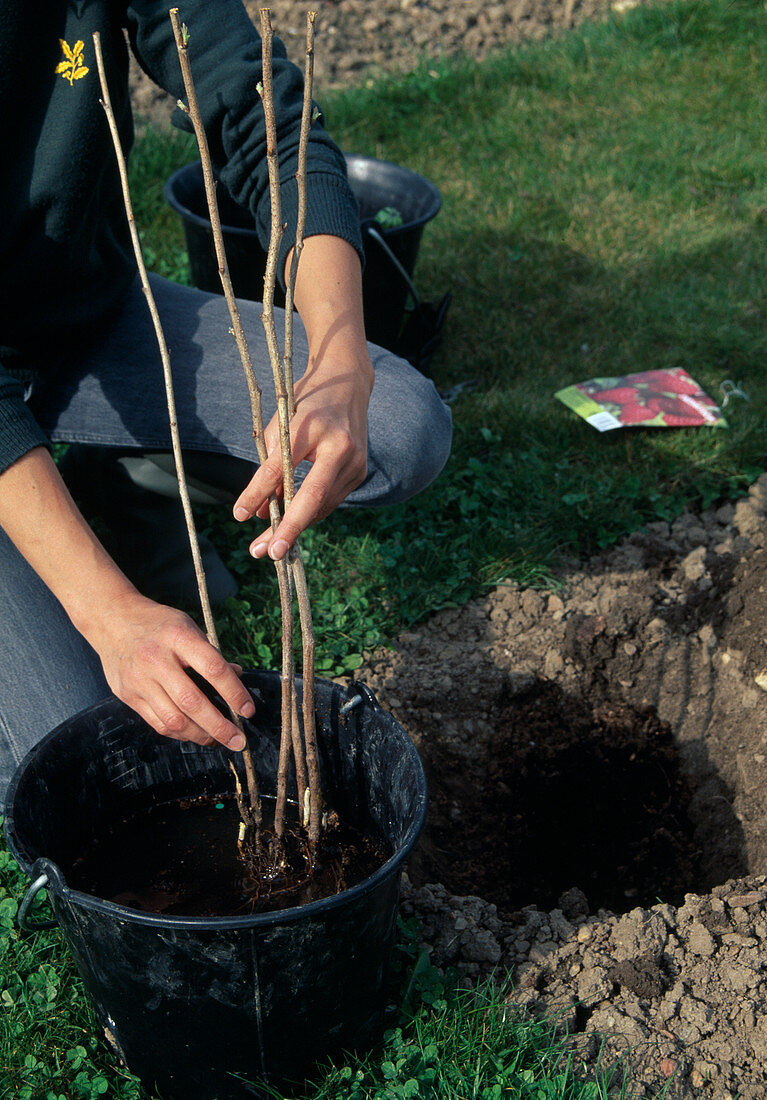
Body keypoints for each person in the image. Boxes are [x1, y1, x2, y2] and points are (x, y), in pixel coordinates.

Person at [0, 0, 452, 800]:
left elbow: (260, 116)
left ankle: (132, 478)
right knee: (71, 752)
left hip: (84, 319)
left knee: (395, 427)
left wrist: (342, 361)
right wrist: (107, 612)